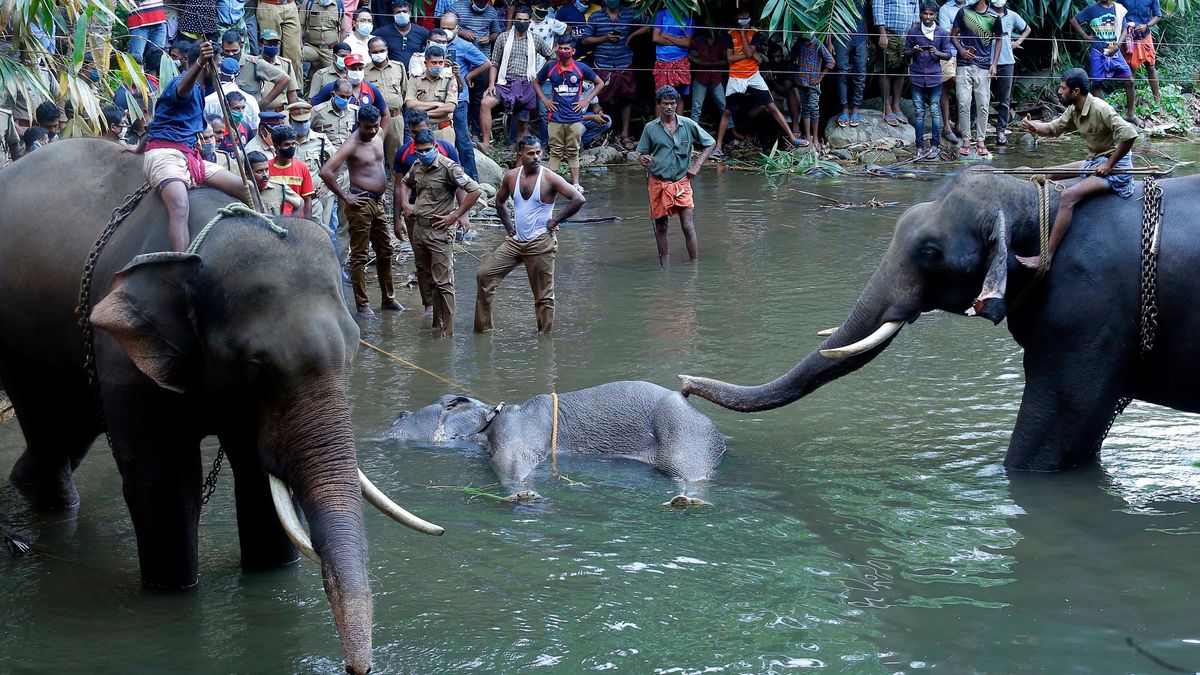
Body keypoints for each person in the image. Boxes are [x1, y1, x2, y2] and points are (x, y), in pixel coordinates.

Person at [127, 40, 250, 252]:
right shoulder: (180, 82)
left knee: (244, 187)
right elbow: (183, 90)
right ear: (208, 65)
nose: (220, 71)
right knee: (180, 206)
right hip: (165, 156)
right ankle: (180, 264)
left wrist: (138, 149)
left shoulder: (200, 91)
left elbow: (156, 123)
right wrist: (201, 62)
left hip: (190, 159)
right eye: (218, 66)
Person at [1017, 68, 1139, 270]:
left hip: (1116, 167)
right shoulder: (1074, 110)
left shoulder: (1101, 109)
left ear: (1075, 91)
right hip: (1094, 161)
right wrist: (1033, 126)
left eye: (1063, 88)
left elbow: (1130, 134)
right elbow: (1053, 129)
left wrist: (1109, 165)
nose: (1059, 91)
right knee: (1047, 173)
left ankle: (1046, 258)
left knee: (1068, 196)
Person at [474, 135, 585, 334]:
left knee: (543, 296)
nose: (536, 157)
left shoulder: (549, 177)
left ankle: (544, 341)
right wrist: (509, 227)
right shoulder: (511, 176)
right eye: (530, 153)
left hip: (541, 241)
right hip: (516, 242)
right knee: (484, 275)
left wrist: (555, 221)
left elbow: (578, 198)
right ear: (520, 155)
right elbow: (499, 202)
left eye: (538, 153)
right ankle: (484, 330)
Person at [319, 104, 403, 319]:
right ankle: (363, 305)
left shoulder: (380, 132)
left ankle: (388, 298)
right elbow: (326, 172)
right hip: (360, 203)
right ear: (359, 124)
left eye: (375, 126)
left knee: (385, 251)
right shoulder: (352, 143)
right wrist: (345, 196)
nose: (372, 131)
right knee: (359, 256)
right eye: (368, 127)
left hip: (378, 202)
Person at [396, 128, 483, 336]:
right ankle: (436, 324)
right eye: (420, 150)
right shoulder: (417, 165)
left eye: (427, 150)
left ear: (435, 147)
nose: (424, 153)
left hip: (440, 231)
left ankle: (448, 331)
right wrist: (406, 205)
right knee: (428, 278)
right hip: (419, 228)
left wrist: (455, 215)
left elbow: (475, 190)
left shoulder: (449, 167)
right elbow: (404, 183)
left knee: (444, 283)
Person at [393, 110, 461, 314]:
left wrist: (461, 215)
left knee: (443, 262)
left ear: (430, 129)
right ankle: (429, 305)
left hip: (442, 214)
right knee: (422, 263)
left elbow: (460, 183)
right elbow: (398, 186)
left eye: (421, 131)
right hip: (415, 215)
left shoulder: (446, 149)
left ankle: (445, 307)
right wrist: (398, 217)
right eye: (414, 133)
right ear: (409, 133)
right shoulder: (404, 153)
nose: (418, 136)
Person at [636, 86, 715, 264]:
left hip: (682, 182)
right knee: (661, 226)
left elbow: (710, 143)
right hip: (658, 182)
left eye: (672, 103)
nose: (669, 107)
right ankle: (665, 265)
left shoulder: (688, 124)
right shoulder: (650, 128)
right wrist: (643, 159)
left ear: (677, 104)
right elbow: (641, 154)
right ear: (659, 105)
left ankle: (694, 264)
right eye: (665, 103)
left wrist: (696, 166)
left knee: (687, 225)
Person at [714, 8, 803, 156]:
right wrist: (750, 54)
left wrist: (744, 38)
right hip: (736, 76)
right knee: (727, 111)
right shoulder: (731, 34)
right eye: (741, 15)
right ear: (736, 17)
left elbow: (748, 53)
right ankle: (718, 147)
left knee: (772, 107)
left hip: (753, 75)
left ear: (749, 16)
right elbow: (731, 59)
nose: (744, 17)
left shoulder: (753, 34)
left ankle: (793, 138)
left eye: (746, 14)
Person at [480, 6, 554, 152]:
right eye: (519, 19)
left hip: (526, 84)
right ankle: (485, 144)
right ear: (514, 20)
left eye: (525, 20)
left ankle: (520, 157)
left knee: (522, 121)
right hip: (504, 82)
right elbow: (494, 63)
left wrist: (538, 76)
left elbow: (551, 57)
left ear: (529, 21)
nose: (522, 22)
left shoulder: (536, 40)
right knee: (485, 103)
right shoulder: (503, 37)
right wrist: (491, 84)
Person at [534, 34, 602, 190]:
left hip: (574, 117)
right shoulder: (550, 67)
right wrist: (545, 101)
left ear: (573, 51)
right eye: (560, 48)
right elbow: (536, 82)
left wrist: (586, 100)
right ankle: (552, 184)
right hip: (555, 116)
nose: (563, 51)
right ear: (557, 49)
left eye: (566, 48)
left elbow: (599, 83)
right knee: (555, 151)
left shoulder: (581, 68)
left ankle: (576, 184)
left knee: (573, 151)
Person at [583, 0, 648, 148]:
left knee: (627, 98)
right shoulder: (595, 16)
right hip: (603, 64)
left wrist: (631, 36)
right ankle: (601, 133)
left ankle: (625, 134)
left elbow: (649, 25)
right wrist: (604, 38)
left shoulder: (629, 13)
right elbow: (585, 39)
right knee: (600, 99)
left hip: (624, 62)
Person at [430, 24, 489, 180]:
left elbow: (486, 63)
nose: (445, 31)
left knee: (462, 138)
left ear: (457, 28)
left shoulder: (463, 46)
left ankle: (472, 177)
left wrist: (466, 76)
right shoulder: (429, 52)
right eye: (442, 26)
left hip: (458, 100)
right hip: (435, 101)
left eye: (449, 27)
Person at [1072, 0, 1136, 121]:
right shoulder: (1092, 8)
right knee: (1097, 84)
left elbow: (1124, 30)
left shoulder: (1118, 9)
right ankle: (1102, 117)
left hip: (1114, 48)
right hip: (1097, 50)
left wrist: (1117, 46)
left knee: (1129, 80)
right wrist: (1085, 36)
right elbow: (1074, 20)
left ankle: (1130, 115)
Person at [950, 0, 999, 157]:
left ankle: (981, 141)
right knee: (963, 102)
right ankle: (966, 140)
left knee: (983, 104)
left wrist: (994, 64)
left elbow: (999, 39)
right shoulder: (963, 12)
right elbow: (953, 35)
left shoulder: (993, 16)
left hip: (984, 66)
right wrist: (962, 51)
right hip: (964, 64)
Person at [906, 3, 953, 160]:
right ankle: (919, 147)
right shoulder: (913, 32)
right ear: (920, 14)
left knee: (934, 111)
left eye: (931, 14)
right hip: (917, 76)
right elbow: (905, 52)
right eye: (925, 14)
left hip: (934, 77)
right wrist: (914, 50)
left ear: (935, 15)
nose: (928, 17)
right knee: (919, 113)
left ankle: (935, 146)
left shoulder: (942, 33)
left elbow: (948, 55)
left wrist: (937, 53)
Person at [873, 0, 920, 126]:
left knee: (901, 71)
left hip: (906, 35)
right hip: (888, 33)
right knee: (885, 71)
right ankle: (886, 107)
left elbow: (915, 15)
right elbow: (878, 9)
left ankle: (896, 105)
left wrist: (913, 36)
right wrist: (882, 34)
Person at [288, 100, 335, 225]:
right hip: (290, 200)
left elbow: (336, 162)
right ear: (290, 121)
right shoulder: (285, 141)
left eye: (306, 121)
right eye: (299, 122)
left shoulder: (321, 140)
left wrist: (327, 185)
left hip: (315, 199)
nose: (303, 125)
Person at [365, 36, 408, 170]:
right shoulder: (364, 71)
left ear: (387, 50)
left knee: (396, 156)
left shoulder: (399, 67)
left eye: (381, 50)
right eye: (375, 52)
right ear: (369, 53)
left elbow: (405, 91)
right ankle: (376, 189)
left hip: (395, 118)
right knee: (373, 155)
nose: (379, 54)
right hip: (373, 121)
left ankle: (397, 188)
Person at [991, 0, 1029, 145]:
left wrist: (1018, 42)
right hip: (986, 60)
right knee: (980, 96)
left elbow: (1027, 28)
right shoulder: (986, 14)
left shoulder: (1012, 16)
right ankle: (975, 128)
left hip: (1006, 60)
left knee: (1005, 98)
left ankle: (1001, 130)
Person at [223, 30, 290, 110]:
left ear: (241, 46)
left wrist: (263, 103)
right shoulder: (217, 64)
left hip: (249, 114)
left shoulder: (254, 64)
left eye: (234, 51)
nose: (231, 54)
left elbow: (284, 79)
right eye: (227, 51)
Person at [405, 44, 459, 143]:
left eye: (440, 62)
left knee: (445, 158)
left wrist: (423, 115)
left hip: (443, 130)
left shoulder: (449, 79)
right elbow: (410, 104)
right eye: (434, 63)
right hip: (421, 131)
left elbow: (450, 107)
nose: (438, 66)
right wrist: (436, 104)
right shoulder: (415, 79)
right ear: (426, 63)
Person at [790, 33, 835, 148]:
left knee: (813, 108)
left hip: (812, 82)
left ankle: (815, 137)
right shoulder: (800, 43)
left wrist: (820, 77)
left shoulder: (818, 44)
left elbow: (831, 62)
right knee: (805, 107)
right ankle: (808, 135)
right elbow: (793, 55)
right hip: (801, 81)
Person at [1116, 0, 1163, 107]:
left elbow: (1157, 15)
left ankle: (1157, 101)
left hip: (1144, 35)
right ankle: (1130, 105)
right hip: (1128, 35)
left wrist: (1147, 25)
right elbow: (1117, 12)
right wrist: (1126, 25)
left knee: (1150, 66)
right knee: (1130, 68)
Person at [832, 0, 867, 128]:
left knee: (861, 73)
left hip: (860, 36)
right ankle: (844, 109)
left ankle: (856, 108)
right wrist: (829, 41)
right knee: (841, 71)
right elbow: (830, 17)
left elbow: (864, 18)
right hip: (841, 36)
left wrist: (867, 39)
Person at [268, 125, 315, 217]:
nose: (291, 147)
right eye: (287, 144)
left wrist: (307, 223)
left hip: (296, 220)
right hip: (273, 219)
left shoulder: (302, 168)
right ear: (276, 146)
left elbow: (307, 200)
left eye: (293, 144)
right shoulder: (266, 168)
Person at [205, 57, 262, 131]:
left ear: (219, 73)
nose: (240, 110)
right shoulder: (251, 100)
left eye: (242, 108)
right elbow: (255, 128)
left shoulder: (208, 100)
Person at [688, 29, 729, 126]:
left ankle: (731, 130)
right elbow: (685, 50)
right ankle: (693, 134)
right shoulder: (699, 40)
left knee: (723, 106)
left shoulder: (721, 41)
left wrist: (707, 64)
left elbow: (726, 60)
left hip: (716, 78)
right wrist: (694, 59)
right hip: (701, 77)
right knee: (696, 107)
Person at [939, 0, 966, 143]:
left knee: (964, 89)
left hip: (967, 53)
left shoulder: (972, 5)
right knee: (946, 87)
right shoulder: (945, 9)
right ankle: (946, 126)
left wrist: (956, 29)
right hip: (948, 52)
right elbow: (945, 32)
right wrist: (965, 30)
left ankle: (960, 125)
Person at [247, 150, 306, 215]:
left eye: (266, 170)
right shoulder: (241, 191)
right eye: (259, 171)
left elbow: (300, 203)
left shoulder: (279, 187)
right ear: (247, 174)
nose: (265, 175)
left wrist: (291, 221)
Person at [255, 0, 304, 78]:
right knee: (271, 51)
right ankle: (271, 87)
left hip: (290, 5)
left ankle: (294, 88)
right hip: (269, 5)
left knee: (294, 52)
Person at [652, 7, 693, 96]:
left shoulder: (688, 18)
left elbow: (686, 43)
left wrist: (665, 35)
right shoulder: (662, 14)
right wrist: (678, 41)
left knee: (679, 96)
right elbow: (656, 38)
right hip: (662, 60)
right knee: (661, 95)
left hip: (680, 61)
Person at [258, 28, 302, 109]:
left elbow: (292, 94)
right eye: (269, 44)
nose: (273, 47)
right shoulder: (254, 64)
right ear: (260, 45)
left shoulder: (286, 64)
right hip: (259, 112)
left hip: (281, 113)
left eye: (275, 44)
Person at [312, 78, 360, 146]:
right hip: (327, 153)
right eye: (342, 96)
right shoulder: (317, 111)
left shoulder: (354, 111)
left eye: (348, 97)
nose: (346, 100)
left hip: (348, 153)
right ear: (333, 94)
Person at [302, 0, 346, 73]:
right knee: (295, 54)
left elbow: (342, 31)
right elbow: (301, 26)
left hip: (329, 50)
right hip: (311, 47)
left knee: (333, 73)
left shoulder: (339, 5)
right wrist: (299, 44)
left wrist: (339, 50)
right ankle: (299, 83)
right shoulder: (309, 3)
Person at [126, 0, 168, 67]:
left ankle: (153, 77)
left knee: (158, 57)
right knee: (136, 58)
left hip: (159, 18)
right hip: (138, 23)